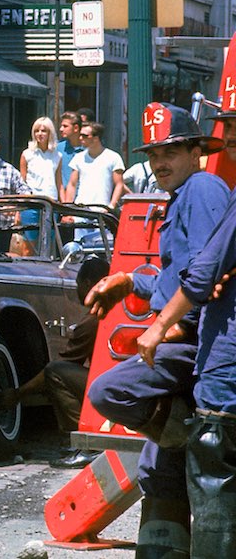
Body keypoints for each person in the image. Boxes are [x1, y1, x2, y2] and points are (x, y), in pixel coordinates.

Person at [84, 103, 228, 554]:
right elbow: (175, 275)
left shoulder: (202, 188)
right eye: (153, 154)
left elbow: (206, 275)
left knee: (108, 393)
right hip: (186, 343)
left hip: (194, 345)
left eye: (169, 152)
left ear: (195, 151)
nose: (159, 163)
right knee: (157, 469)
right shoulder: (186, 194)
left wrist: (174, 326)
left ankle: (193, 441)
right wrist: (131, 280)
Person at [135, 188, 236, 557]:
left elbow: (202, 274)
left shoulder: (205, 193)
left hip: (227, 375)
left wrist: (161, 325)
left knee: (216, 482)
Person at [0, 256, 110, 468]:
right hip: (120, 382)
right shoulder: (113, 308)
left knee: (55, 372)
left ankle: (87, 444)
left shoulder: (93, 319)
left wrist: (17, 394)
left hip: (110, 384)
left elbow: (60, 368)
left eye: (78, 285)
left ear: (88, 284)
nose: (77, 290)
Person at [20, 116, 62, 244]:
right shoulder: (27, 154)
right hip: (31, 203)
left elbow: (59, 183)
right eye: (37, 130)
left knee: (47, 243)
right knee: (30, 244)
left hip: (51, 203)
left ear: (50, 133)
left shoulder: (57, 155)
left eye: (44, 130)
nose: (40, 134)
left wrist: (64, 205)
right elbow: (22, 181)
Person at [66, 121, 125, 211]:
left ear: (96, 138)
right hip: (80, 210)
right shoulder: (78, 158)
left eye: (85, 136)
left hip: (102, 210)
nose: (81, 138)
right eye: (80, 135)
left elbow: (119, 184)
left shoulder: (113, 157)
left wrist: (111, 206)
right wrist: (68, 209)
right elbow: (72, 184)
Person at [55, 111, 84, 194]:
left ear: (76, 128)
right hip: (61, 199)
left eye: (65, 126)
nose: (61, 129)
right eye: (61, 126)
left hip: (84, 199)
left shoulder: (88, 151)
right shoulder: (57, 149)